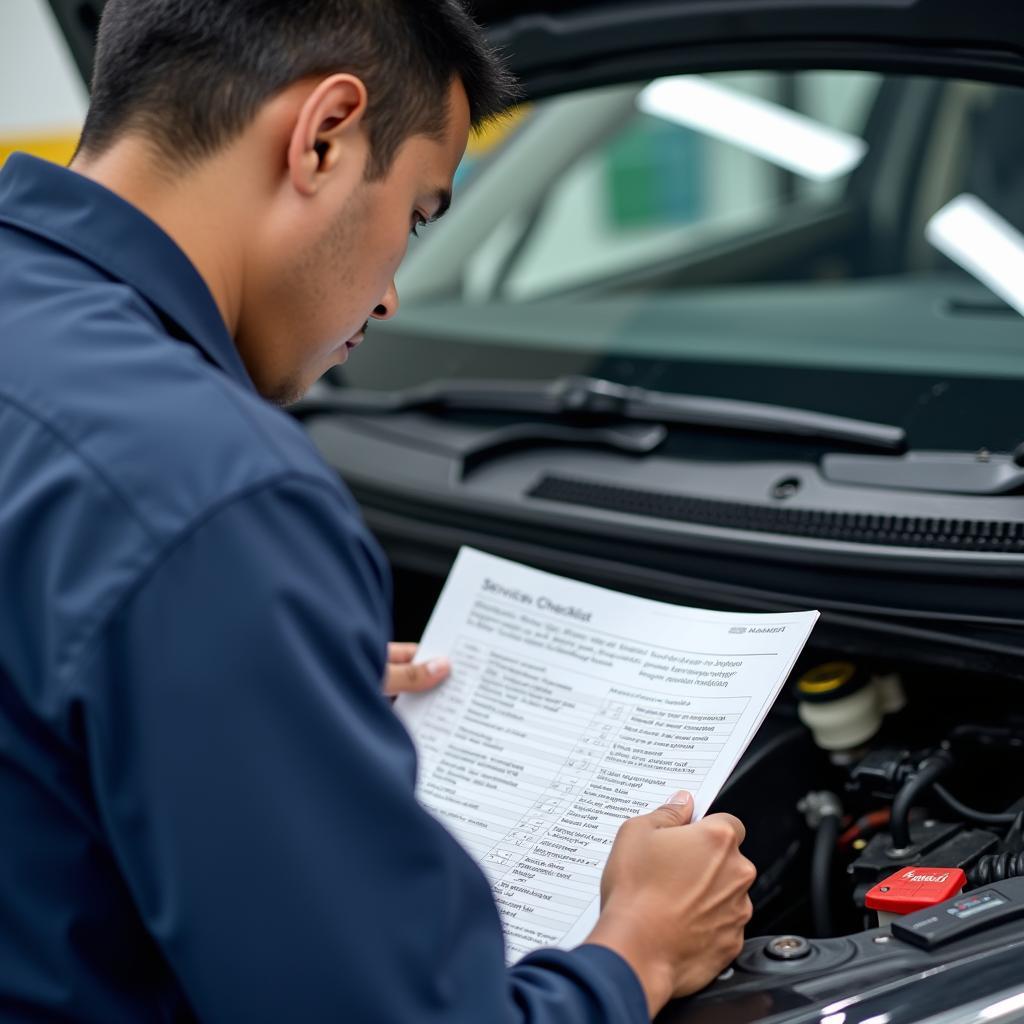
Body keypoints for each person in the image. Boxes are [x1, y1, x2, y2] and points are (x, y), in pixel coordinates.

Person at [0, 1, 756, 1021]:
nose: (394, 295)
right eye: (418, 212)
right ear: (323, 135)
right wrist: (633, 953)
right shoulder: (217, 495)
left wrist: (232, 672)